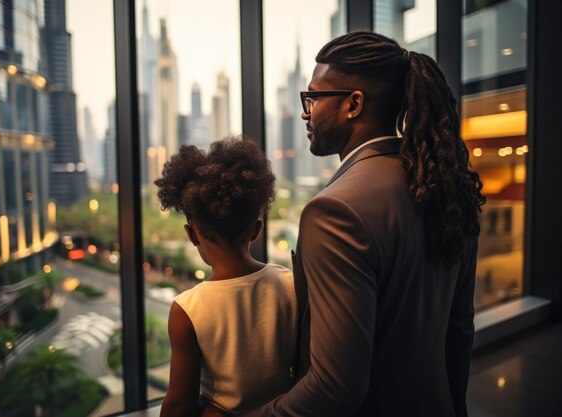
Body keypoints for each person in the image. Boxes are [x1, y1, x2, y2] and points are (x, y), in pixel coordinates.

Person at [234, 31, 485, 417]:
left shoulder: (334, 211)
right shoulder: (446, 184)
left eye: (314, 97)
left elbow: (335, 388)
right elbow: (458, 332)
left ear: (353, 104)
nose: (306, 111)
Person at [156, 137, 298, 417]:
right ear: (256, 229)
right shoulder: (290, 283)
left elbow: (178, 405)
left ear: (192, 234)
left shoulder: (187, 310)